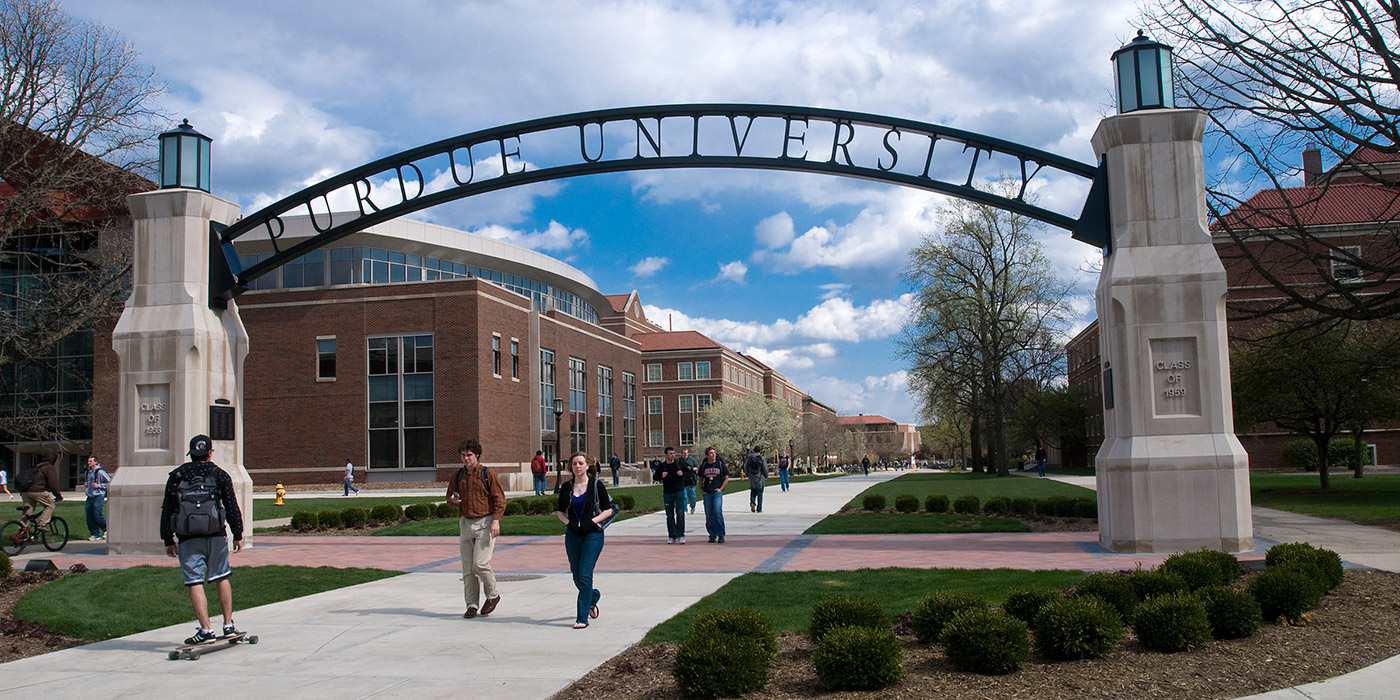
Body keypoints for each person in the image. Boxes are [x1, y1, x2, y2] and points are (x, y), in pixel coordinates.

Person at [160, 435, 245, 645]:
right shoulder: (219, 475)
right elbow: (231, 506)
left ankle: (206, 630)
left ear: (191, 454)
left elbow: (167, 509)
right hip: (216, 534)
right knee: (221, 576)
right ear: (209, 452)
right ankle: (228, 625)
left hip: (188, 536)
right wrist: (238, 533)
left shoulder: (177, 475)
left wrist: (167, 538)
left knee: (194, 580)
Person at [446, 438, 506, 618]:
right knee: (468, 569)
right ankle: (471, 604)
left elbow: (499, 499)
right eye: (463, 455)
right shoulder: (458, 475)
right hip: (465, 523)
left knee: (480, 563)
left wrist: (496, 521)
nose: (466, 459)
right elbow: (449, 498)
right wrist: (452, 500)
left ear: (477, 455)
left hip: (485, 523)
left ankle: (493, 595)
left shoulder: (487, 474)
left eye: (469, 455)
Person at [553, 452, 613, 629]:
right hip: (573, 535)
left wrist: (592, 521)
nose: (577, 467)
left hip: (592, 534)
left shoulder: (596, 485)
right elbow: (559, 511)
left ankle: (582, 618)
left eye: (580, 463)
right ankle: (592, 597)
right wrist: (568, 523)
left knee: (585, 574)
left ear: (587, 465)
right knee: (576, 575)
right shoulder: (566, 487)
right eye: (574, 464)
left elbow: (608, 510)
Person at [653, 446, 691, 544]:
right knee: (669, 515)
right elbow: (655, 477)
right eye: (670, 453)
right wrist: (661, 476)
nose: (672, 455)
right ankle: (672, 535)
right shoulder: (662, 466)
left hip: (679, 491)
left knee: (680, 513)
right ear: (666, 455)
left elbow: (689, 473)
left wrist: (682, 474)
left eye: (674, 453)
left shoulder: (679, 463)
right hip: (668, 492)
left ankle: (681, 535)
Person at [19, 448, 63, 530]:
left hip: (26, 491)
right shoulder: (49, 467)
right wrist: (58, 495)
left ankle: (21, 533)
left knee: (27, 511)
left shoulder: (37, 466)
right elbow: (53, 484)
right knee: (50, 505)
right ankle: (42, 524)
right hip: (38, 490)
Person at [698, 446, 729, 543]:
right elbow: (700, 479)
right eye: (711, 453)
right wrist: (702, 490)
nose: (713, 455)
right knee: (709, 515)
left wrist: (721, 489)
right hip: (707, 493)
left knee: (717, 512)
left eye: (714, 453)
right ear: (707, 455)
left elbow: (726, 477)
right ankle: (712, 534)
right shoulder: (704, 466)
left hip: (717, 493)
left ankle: (721, 534)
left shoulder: (720, 465)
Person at [82, 456, 111, 540]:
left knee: (97, 514)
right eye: (88, 461)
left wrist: (99, 486)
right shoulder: (87, 472)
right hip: (90, 495)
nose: (89, 463)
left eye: (91, 461)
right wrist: (86, 484)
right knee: (89, 516)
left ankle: (106, 529)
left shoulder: (100, 472)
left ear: (95, 462)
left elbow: (110, 482)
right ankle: (94, 533)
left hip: (98, 495)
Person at [744, 447, 767, 513]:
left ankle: (752, 503)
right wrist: (765, 475)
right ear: (760, 450)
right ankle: (759, 508)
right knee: (760, 493)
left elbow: (746, 466)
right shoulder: (761, 458)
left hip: (752, 477)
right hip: (760, 477)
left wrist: (748, 474)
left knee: (753, 491)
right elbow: (765, 468)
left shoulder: (750, 458)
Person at [681, 447, 699, 514]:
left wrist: (693, 469)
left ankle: (693, 506)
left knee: (692, 496)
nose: (685, 454)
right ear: (681, 454)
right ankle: (684, 509)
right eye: (684, 453)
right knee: (684, 496)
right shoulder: (680, 461)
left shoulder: (691, 459)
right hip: (683, 481)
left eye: (686, 453)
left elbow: (698, 466)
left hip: (691, 480)